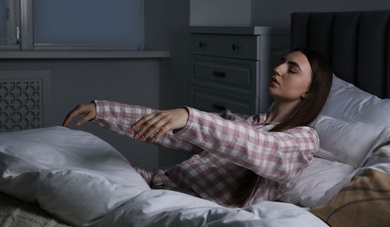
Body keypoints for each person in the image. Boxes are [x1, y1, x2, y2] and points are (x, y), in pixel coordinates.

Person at [63, 48, 333, 207]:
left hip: (186, 205)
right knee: (68, 170)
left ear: (309, 92)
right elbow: (169, 129)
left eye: (292, 69)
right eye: (282, 62)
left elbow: (261, 148)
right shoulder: (244, 122)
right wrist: (102, 110)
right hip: (155, 184)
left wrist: (190, 118)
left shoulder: (303, 139)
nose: (278, 68)